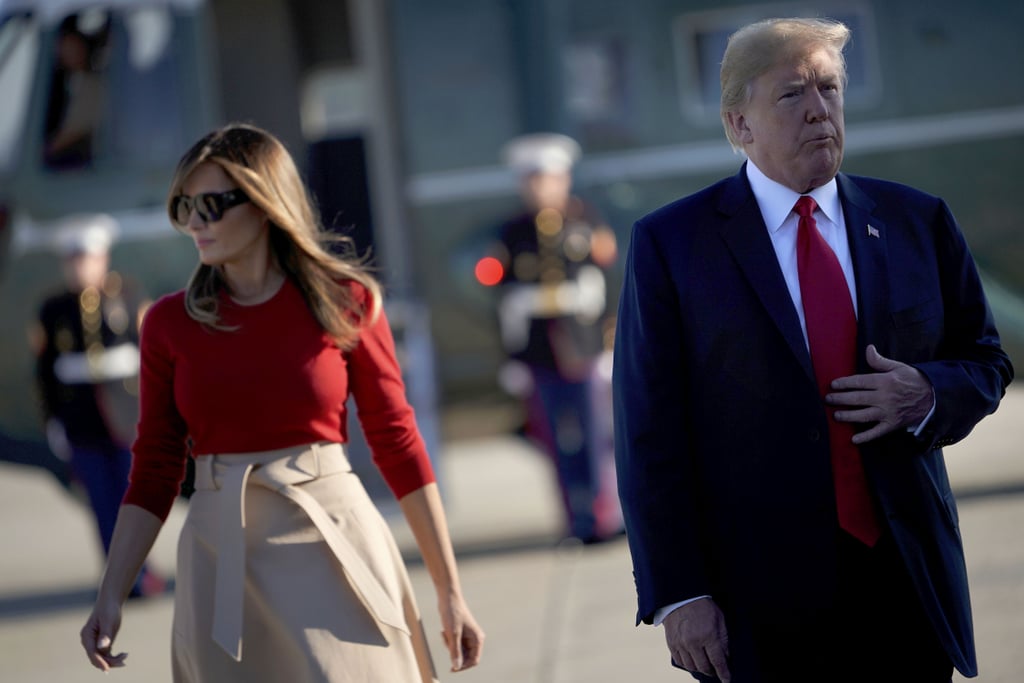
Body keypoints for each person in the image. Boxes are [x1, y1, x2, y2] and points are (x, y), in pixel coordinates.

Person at [612, 17, 1013, 683]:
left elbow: (987, 360)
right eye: (792, 95)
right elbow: (648, 431)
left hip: (905, 582)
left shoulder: (917, 220)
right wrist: (679, 592)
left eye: (829, 89)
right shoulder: (672, 245)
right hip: (759, 602)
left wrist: (929, 391)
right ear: (738, 124)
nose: (819, 111)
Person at [79, 123, 484, 681]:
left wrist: (450, 591)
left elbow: (397, 440)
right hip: (221, 559)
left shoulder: (348, 301)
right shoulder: (169, 325)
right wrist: (111, 594)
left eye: (212, 205)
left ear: (266, 203)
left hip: (334, 539)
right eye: (183, 207)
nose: (195, 222)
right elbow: (153, 468)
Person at [481, 132, 622, 544]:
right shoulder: (512, 232)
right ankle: (574, 521)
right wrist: (512, 359)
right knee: (557, 442)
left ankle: (603, 517)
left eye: (550, 179)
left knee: (599, 439)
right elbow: (504, 301)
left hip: (583, 347)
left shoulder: (585, 222)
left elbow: (607, 284)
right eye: (533, 180)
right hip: (539, 353)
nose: (542, 188)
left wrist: (609, 342)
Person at [31, 221, 165, 599]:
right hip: (81, 421)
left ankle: (140, 571)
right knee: (102, 504)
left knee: (132, 499)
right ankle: (122, 577)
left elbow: (150, 356)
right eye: (73, 261)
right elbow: (45, 373)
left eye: (87, 259)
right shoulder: (54, 309)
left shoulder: (129, 295)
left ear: (102, 258)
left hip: (126, 417)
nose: (80, 267)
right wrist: (54, 422)